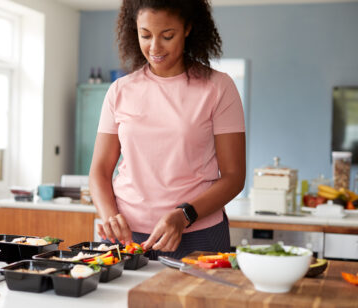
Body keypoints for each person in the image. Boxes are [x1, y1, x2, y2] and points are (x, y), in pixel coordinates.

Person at [89, 0, 246, 260]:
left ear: (187, 29)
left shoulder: (218, 87)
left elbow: (234, 176)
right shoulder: (120, 90)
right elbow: (99, 171)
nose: (154, 47)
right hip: (127, 236)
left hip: (198, 234)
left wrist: (184, 215)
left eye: (167, 36)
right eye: (145, 35)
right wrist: (109, 216)